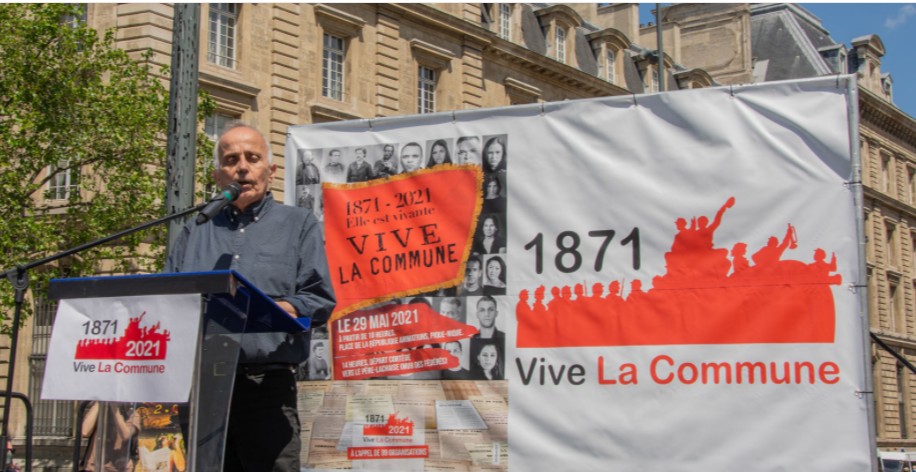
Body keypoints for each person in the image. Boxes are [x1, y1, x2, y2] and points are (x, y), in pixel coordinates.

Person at [165, 122, 336, 471]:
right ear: (217, 176)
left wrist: (276, 308)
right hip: (202, 387)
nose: (241, 166)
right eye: (231, 159)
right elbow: (168, 301)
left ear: (270, 171)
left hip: (266, 387)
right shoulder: (193, 230)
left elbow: (319, 300)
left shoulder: (298, 224)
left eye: (252, 158)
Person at [81, 402, 141, 472]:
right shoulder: (102, 410)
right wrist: (100, 402)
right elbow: (84, 431)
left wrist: (115, 410)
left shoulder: (132, 415)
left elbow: (126, 435)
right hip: (94, 467)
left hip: (118, 468)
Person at [469, 296, 505, 370]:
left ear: (496, 313)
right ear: (477, 314)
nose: (486, 314)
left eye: (491, 310)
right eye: (482, 310)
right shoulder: (471, 339)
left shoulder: (504, 337)